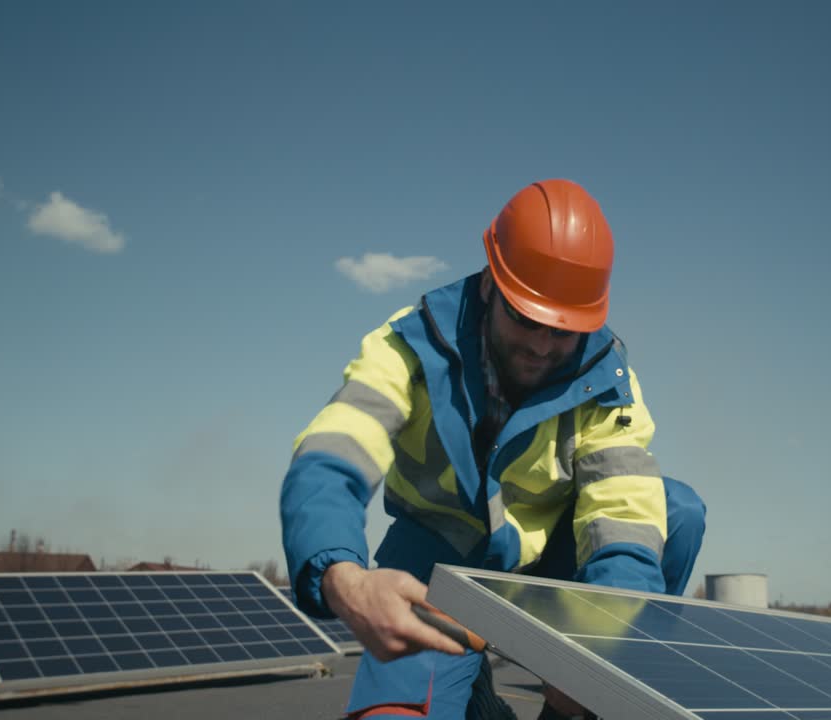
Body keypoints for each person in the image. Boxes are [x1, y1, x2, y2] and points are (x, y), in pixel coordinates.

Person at [280, 178, 707, 719]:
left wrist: (598, 661)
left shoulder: (609, 382)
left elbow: (622, 519)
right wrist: (342, 576)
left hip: (555, 563)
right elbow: (332, 454)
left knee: (675, 511)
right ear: (489, 285)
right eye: (526, 318)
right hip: (439, 561)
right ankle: (475, 700)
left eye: (563, 331)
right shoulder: (410, 345)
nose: (541, 345)